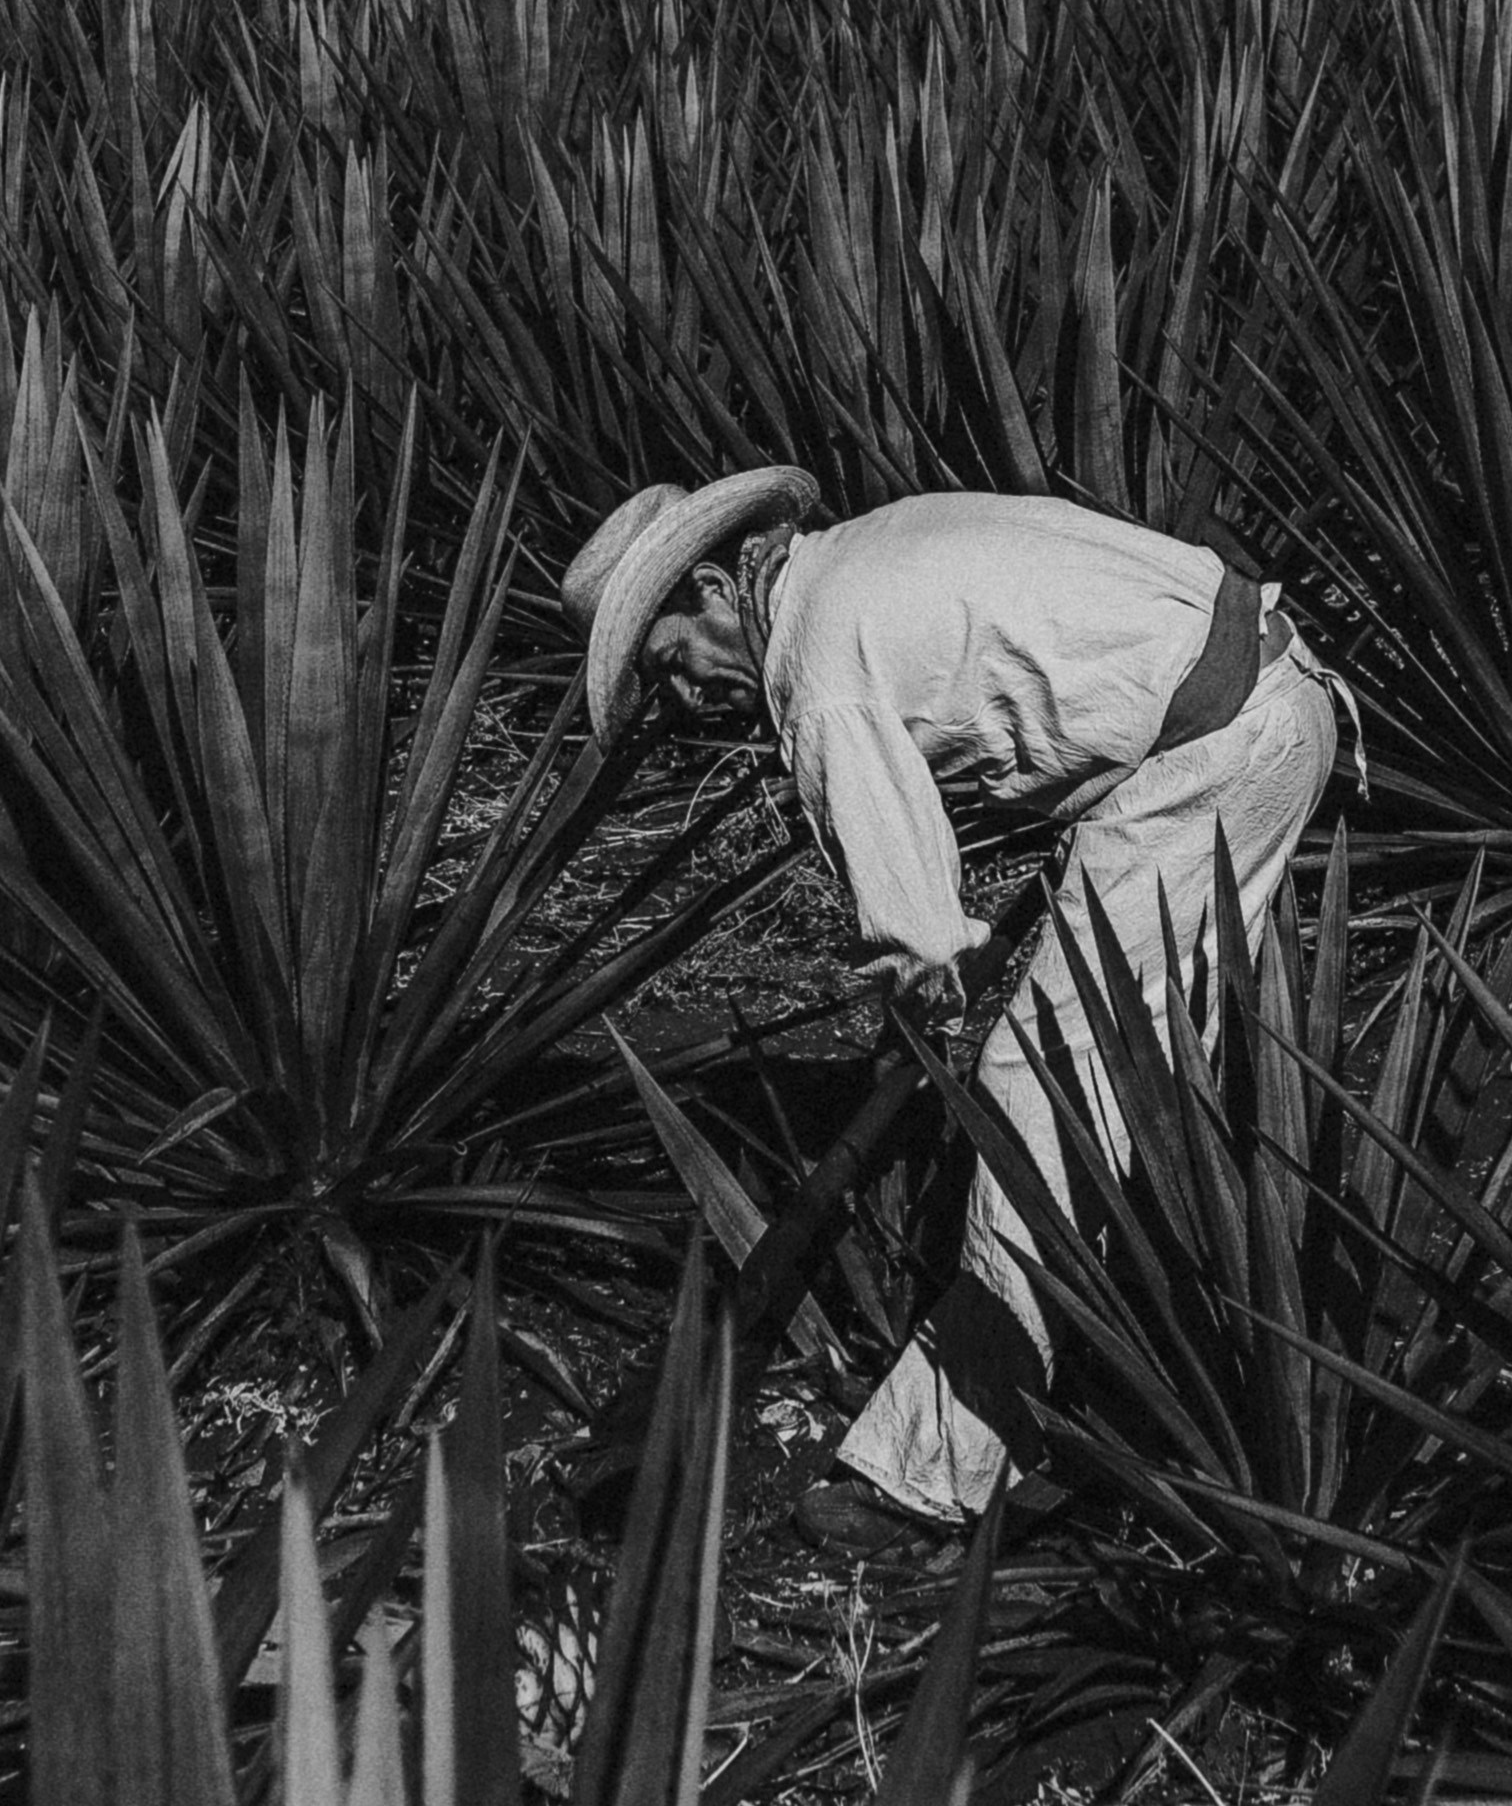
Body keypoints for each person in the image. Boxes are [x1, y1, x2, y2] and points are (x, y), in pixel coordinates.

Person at [558, 468, 1343, 1525]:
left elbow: (920, 935)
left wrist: (925, 985)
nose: (687, 694)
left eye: (672, 658)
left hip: (1213, 752)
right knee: (1145, 1084)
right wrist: (945, 960)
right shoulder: (851, 558)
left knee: (1035, 1092)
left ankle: (940, 1467)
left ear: (708, 586)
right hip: (1252, 703)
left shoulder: (816, 669)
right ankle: (1179, 1351)